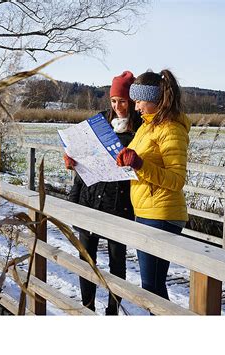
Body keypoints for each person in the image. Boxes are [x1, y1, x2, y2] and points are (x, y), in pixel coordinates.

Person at [63, 71, 141, 315]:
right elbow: (84, 157)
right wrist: (72, 159)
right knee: (86, 258)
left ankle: (112, 311)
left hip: (120, 205)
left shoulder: (141, 131)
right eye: (114, 101)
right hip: (89, 199)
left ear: (131, 101)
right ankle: (87, 308)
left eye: (123, 101)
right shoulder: (98, 123)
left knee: (117, 262)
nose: (117, 106)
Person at [116, 69, 190, 301]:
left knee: (152, 287)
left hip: (162, 214)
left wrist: (138, 164)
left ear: (154, 99)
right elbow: (139, 164)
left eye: (139, 101)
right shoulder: (147, 128)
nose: (136, 107)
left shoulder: (171, 130)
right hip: (146, 211)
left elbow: (176, 180)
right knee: (151, 286)